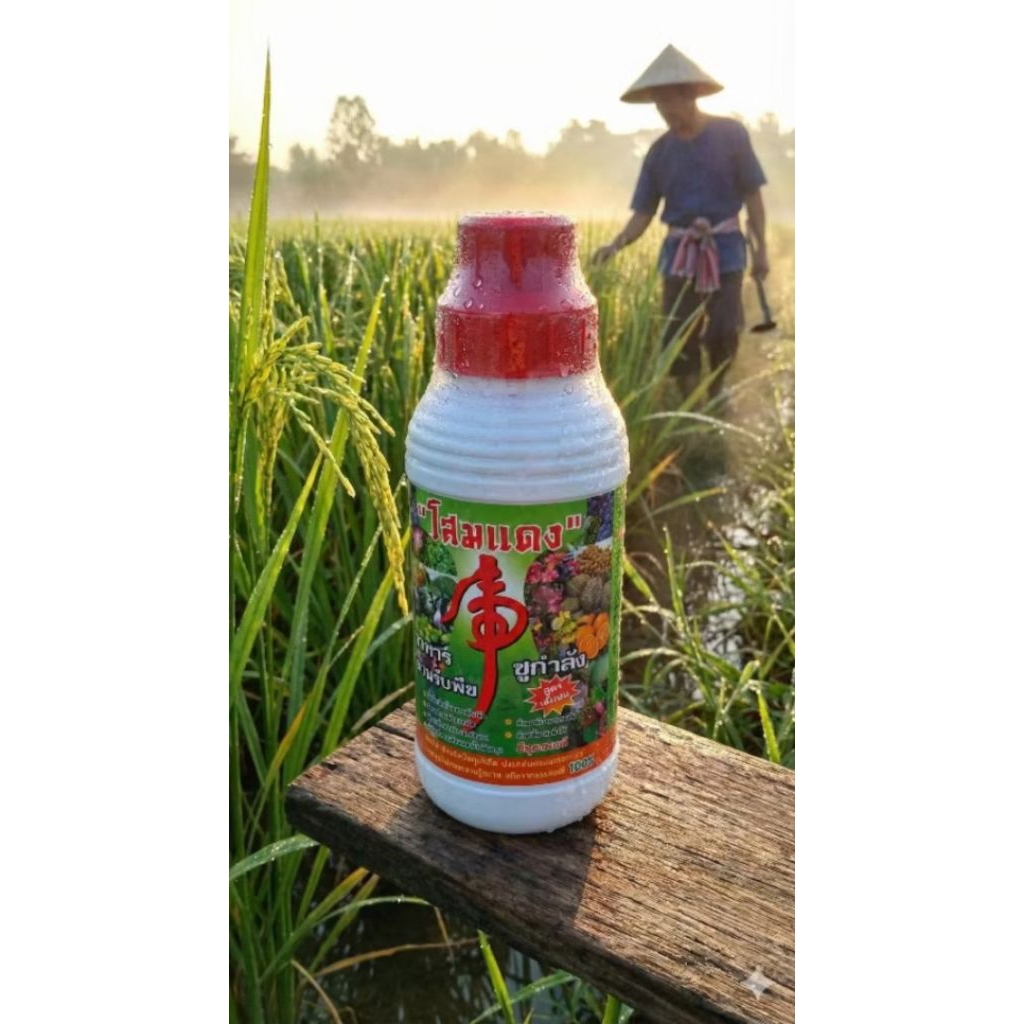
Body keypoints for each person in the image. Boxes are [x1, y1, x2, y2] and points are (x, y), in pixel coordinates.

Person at [594, 45, 769, 399]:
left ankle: (715, 390)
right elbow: (643, 213)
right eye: (660, 105)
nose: (666, 112)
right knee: (677, 332)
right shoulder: (659, 153)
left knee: (724, 329)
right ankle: (690, 401)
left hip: (726, 249)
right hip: (679, 253)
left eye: (671, 103)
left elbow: (753, 195)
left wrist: (761, 250)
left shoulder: (731, 134)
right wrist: (615, 245)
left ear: (690, 97)